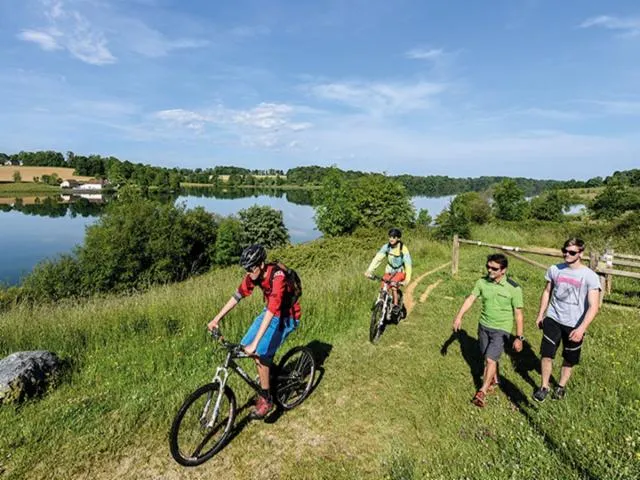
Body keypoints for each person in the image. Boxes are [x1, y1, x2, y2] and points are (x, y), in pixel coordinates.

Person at [207, 244, 301, 419]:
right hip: (270, 313)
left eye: (251, 268)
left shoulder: (277, 277)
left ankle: (267, 399)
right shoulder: (254, 275)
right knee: (244, 347)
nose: (249, 272)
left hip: (286, 317)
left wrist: (256, 344)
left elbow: (273, 310)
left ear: (261, 264)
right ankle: (269, 372)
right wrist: (216, 319)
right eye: (246, 269)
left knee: (259, 352)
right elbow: (237, 296)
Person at [533, 238, 601, 402]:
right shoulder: (555, 269)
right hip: (553, 319)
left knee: (569, 358)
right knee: (546, 355)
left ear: (581, 254)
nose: (567, 254)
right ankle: (544, 387)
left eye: (572, 252)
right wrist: (541, 314)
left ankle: (561, 387)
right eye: (565, 251)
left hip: (575, 324)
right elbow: (547, 292)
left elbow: (594, 306)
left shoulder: (590, 276)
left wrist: (581, 328)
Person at [452, 253, 524, 408]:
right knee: (487, 357)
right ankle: (494, 378)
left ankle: (482, 392)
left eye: (494, 268)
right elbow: (470, 299)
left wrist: (519, 337)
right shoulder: (482, 282)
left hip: (502, 329)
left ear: (503, 270)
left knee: (490, 359)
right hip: (484, 326)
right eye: (488, 267)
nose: (490, 270)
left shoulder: (514, 288)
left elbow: (518, 314)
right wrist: (459, 316)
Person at [364, 228, 412, 317]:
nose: (391, 239)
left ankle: (396, 305)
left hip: (400, 271)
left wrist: (407, 280)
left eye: (394, 237)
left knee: (393, 286)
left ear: (398, 238)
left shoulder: (403, 249)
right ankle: (382, 304)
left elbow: (408, 265)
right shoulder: (386, 247)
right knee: (384, 286)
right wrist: (369, 270)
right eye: (390, 237)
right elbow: (378, 258)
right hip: (389, 270)